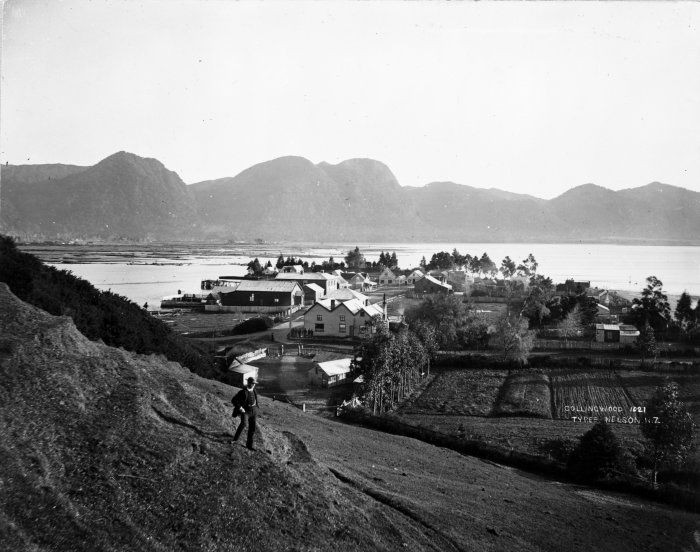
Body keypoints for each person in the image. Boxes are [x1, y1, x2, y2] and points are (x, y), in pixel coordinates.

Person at [232, 377, 259, 450]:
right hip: (246, 411)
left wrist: (256, 408)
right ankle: (235, 440)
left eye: (254, 384)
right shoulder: (242, 392)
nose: (254, 385)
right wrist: (240, 408)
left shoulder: (254, 391)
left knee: (252, 428)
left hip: (254, 411)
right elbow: (234, 400)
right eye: (252, 383)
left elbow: (256, 400)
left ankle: (249, 445)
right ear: (249, 383)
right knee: (243, 424)